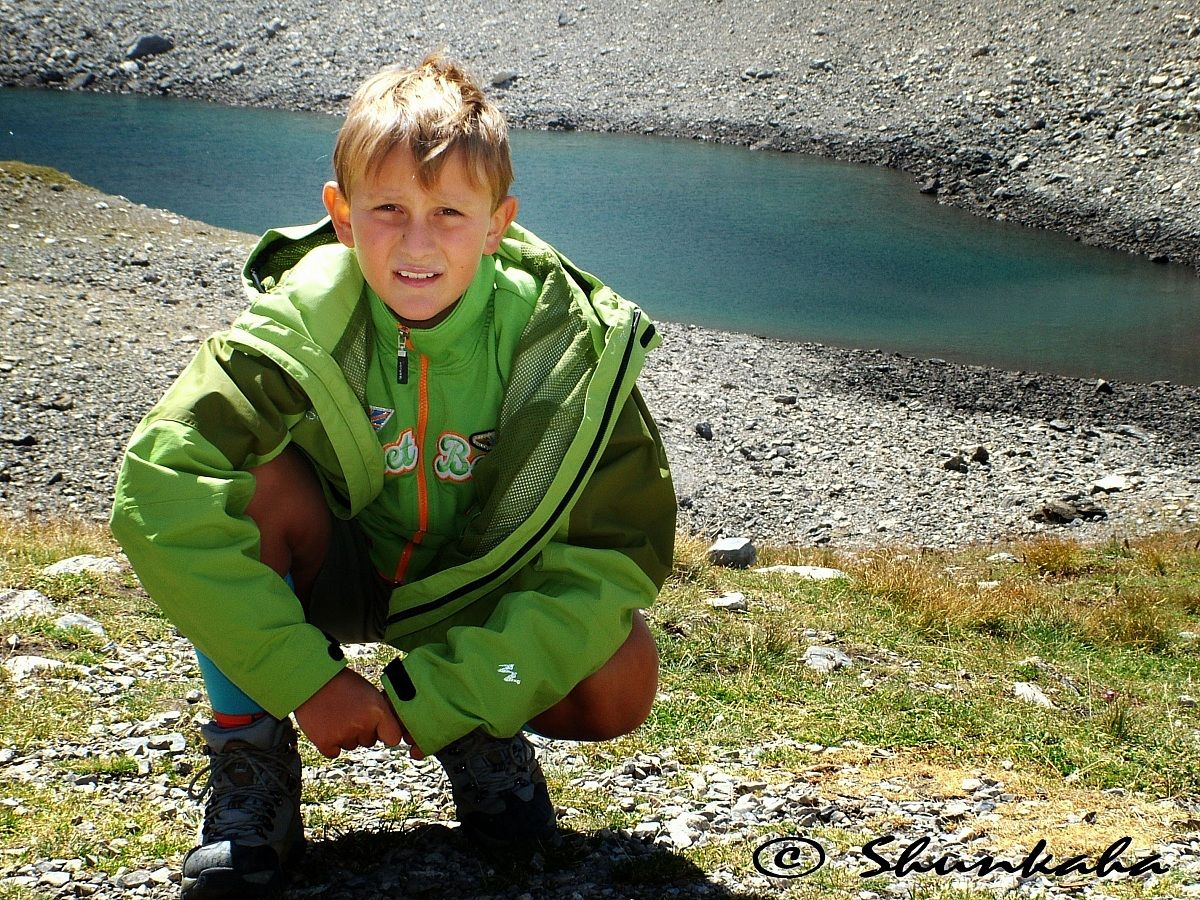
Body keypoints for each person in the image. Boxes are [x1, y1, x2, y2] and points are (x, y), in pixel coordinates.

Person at [109, 52, 676, 899]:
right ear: (340, 216)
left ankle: (479, 730)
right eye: (387, 209)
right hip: (335, 565)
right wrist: (308, 681)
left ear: (498, 222)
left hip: (472, 588)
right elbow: (159, 483)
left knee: (620, 675)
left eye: (450, 211)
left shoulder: (567, 347)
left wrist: (447, 694)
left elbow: (613, 555)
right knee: (248, 483)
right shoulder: (297, 322)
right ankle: (250, 770)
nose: (417, 242)